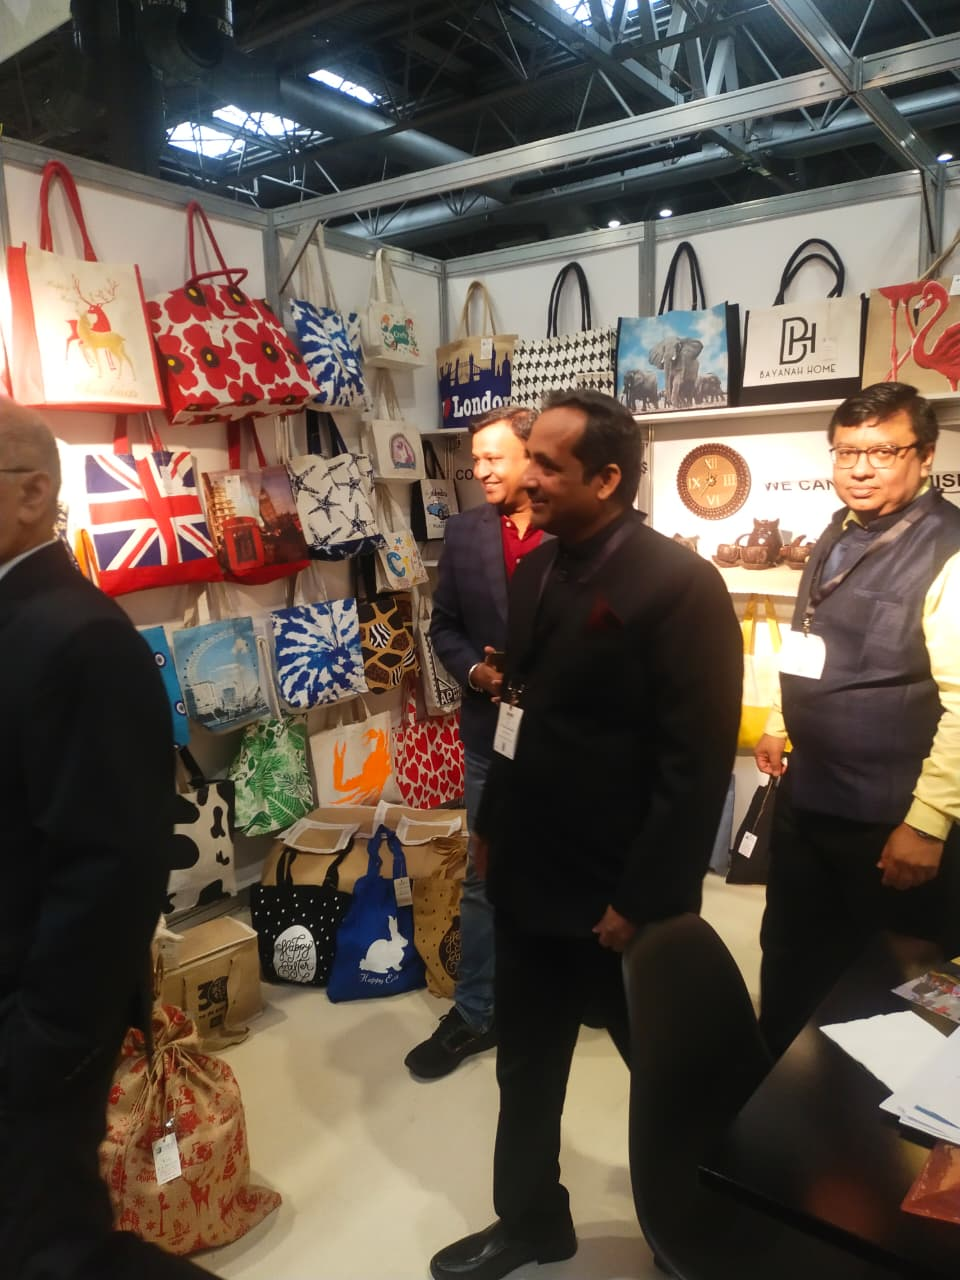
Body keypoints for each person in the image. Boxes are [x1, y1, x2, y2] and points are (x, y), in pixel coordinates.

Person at [429, 388, 742, 1280]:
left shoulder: (679, 586)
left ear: (606, 479)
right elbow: (519, 712)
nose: (524, 476)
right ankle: (531, 1220)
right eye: (527, 458)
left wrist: (642, 898)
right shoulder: (537, 570)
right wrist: (491, 827)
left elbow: (695, 766)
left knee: (676, 1078)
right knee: (526, 1068)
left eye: (546, 464)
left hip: (621, 898)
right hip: (531, 874)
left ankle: (717, 1222)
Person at [0, 398, 210, 1279]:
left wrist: (44, 1038)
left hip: (34, 1019)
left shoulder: (80, 636)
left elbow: (115, 866)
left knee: (49, 1246)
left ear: (31, 493)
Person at [755, 381, 960, 1057]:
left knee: (893, 980)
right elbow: (811, 637)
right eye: (847, 452)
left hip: (890, 819)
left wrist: (927, 824)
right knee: (791, 955)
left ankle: (868, 1115)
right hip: (810, 797)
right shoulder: (838, 528)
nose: (861, 469)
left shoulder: (948, 549)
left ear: (925, 455)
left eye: (882, 452)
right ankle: (775, 1087)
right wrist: (781, 721)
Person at [405, 405, 544, 1080]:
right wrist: (475, 672)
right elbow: (444, 628)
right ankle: (476, 1011)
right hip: (491, 732)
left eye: (495, 458)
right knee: (485, 877)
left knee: (568, 870)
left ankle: (569, 992)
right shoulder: (463, 533)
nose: (481, 470)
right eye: (476, 459)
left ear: (531, 457)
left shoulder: (577, 527)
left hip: (570, 740)